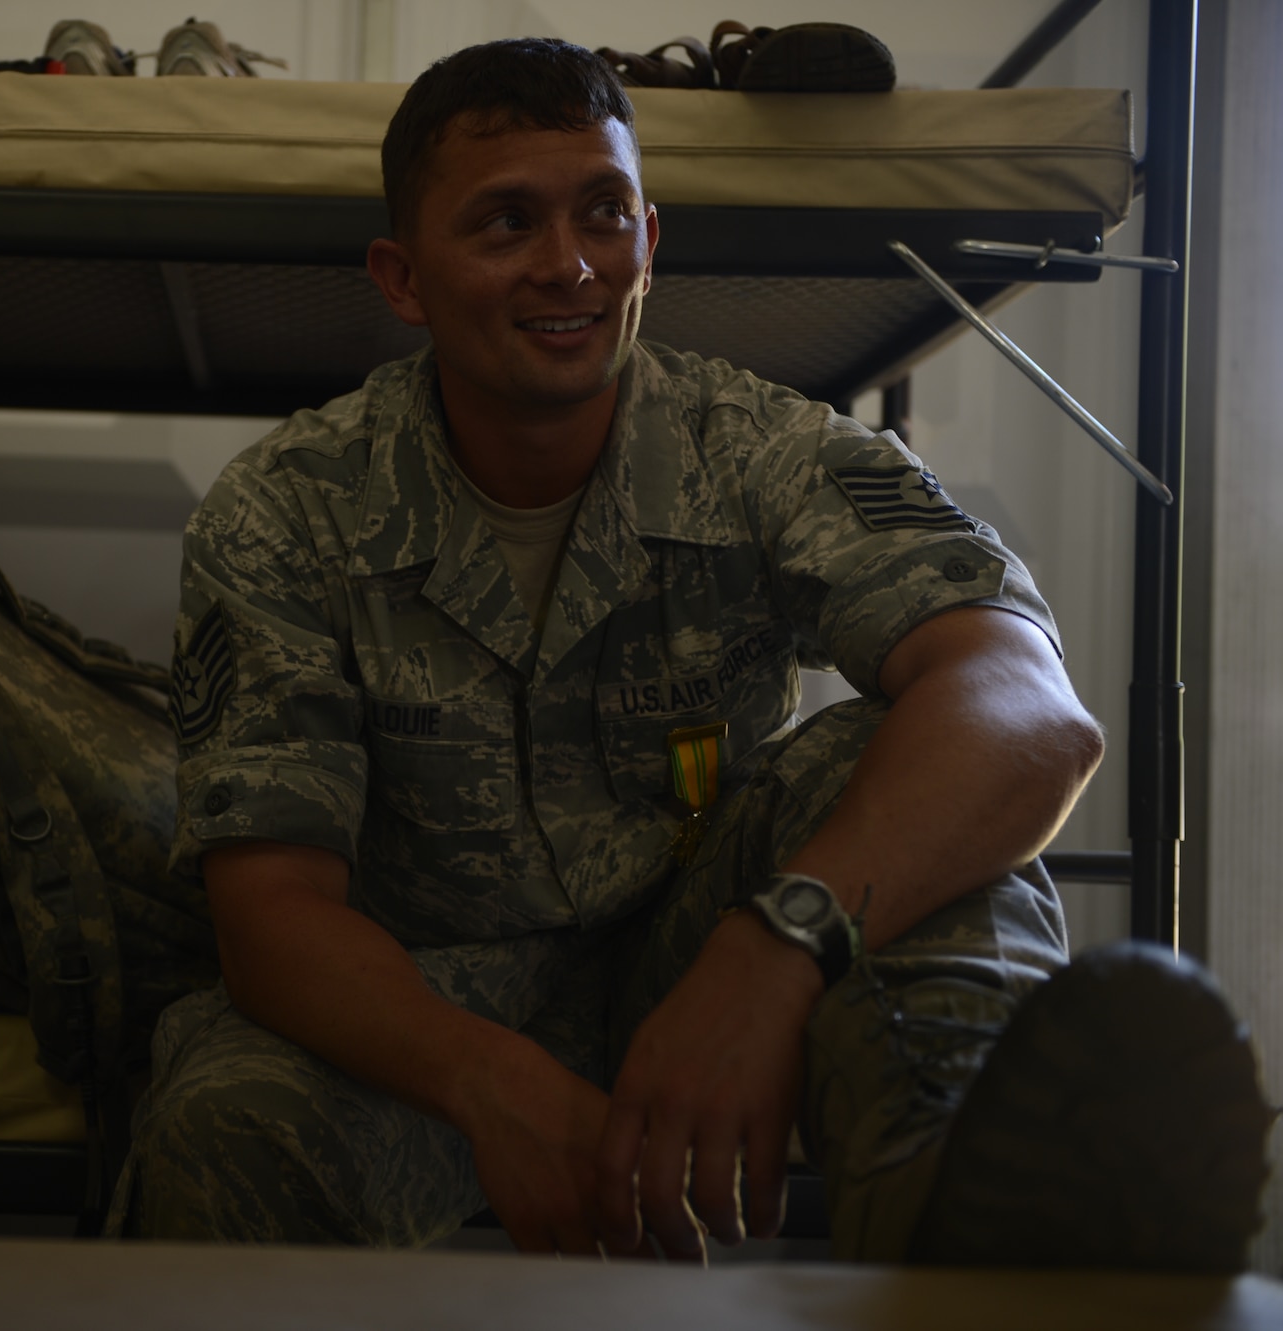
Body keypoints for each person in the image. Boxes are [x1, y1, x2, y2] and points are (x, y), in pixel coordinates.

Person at [113, 38, 1268, 1266]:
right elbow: (272, 914)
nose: (568, 265)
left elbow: (1028, 715)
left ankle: (971, 1191)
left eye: (603, 213)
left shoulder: (757, 447)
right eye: (505, 222)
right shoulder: (284, 508)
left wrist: (775, 946)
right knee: (221, 1118)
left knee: (890, 755)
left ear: (648, 240)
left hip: (703, 954)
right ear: (402, 279)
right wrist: (487, 1077)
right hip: (427, 1005)